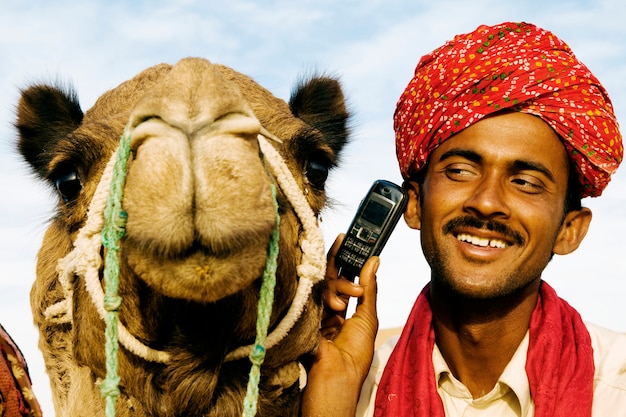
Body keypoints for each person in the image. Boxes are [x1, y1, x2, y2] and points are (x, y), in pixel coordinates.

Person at [301, 21, 626, 416]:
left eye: (525, 182)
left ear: (569, 230)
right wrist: (332, 396)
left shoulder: (614, 388)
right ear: (415, 205)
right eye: (459, 171)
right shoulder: (353, 387)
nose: (487, 203)